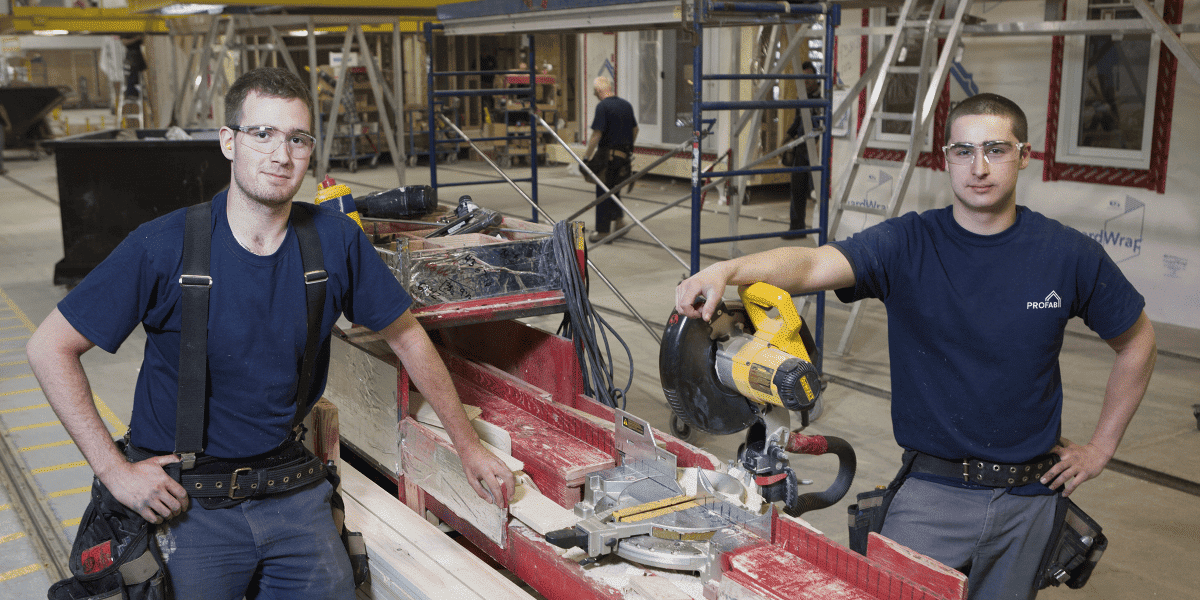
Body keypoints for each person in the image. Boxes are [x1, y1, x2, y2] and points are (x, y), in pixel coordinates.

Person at [26, 67, 515, 600]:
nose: (281, 156)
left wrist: (468, 449)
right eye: (262, 134)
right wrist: (116, 472)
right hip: (188, 499)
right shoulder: (162, 245)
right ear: (229, 142)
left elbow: (408, 337)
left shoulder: (335, 242)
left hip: (288, 487)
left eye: (297, 139)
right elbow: (49, 346)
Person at [674, 93, 1156, 599]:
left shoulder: (1068, 255)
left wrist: (1102, 447)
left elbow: (1138, 341)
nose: (980, 166)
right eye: (964, 151)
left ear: (1025, 154)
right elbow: (814, 265)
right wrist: (728, 270)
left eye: (996, 148)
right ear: (946, 158)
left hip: (1031, 499)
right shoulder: (909, 244)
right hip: (933, 495)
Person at [582, 75, 638, 243]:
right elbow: (636, 130)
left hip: (608, 158)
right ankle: (619, 222)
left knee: (602, 191)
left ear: (599, 91)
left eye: (595, 92)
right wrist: (627, 148)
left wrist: (586, 157)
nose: (595, 95)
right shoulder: (626, 105)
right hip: (624, 159)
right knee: (614, 190)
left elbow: (596, 135)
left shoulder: (603, 106)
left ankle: (603, 231)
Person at [782, 61, 820, 240]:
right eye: (803, 78)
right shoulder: (802, 97)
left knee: (817, 191)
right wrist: (788, 136)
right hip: (801, 148)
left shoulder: (823, 97)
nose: (806, 81)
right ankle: (796, 228)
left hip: (817, 148)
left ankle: (823, 228)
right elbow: (798, 120)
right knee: (797, 188)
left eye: (809, 77)